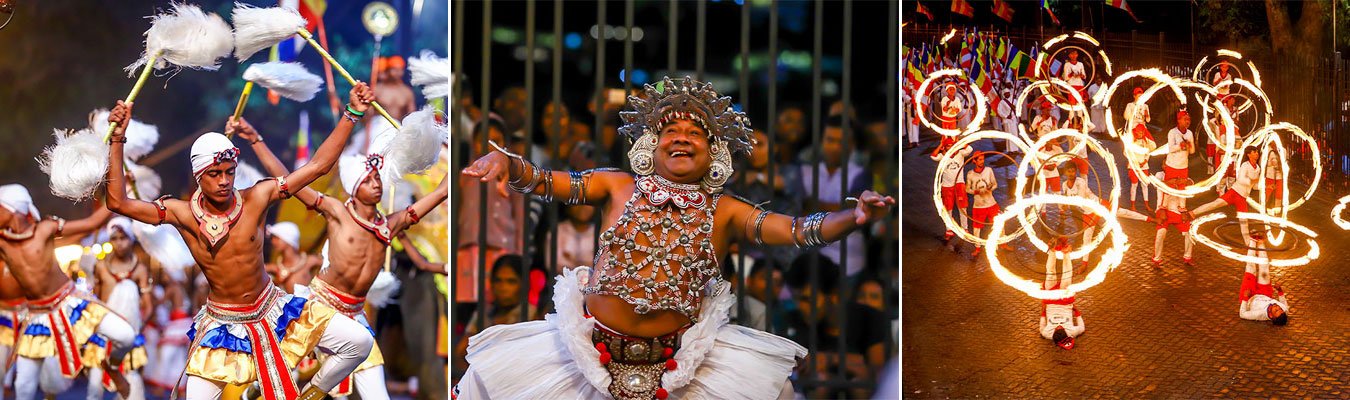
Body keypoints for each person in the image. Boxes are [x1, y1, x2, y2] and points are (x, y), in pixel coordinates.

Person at [456, 76, 894, 399]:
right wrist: (508, 166)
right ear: (653, 144)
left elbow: (799, 230)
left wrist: (853, 216)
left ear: (715, 151)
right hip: (585, 357)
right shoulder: (615, 186)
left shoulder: (726, 210)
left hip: (681, 367)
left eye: (695, 134)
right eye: (671, 132)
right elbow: (543, 180)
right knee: (484, 381)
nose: (682, 138)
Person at [104, 85, 378, 400]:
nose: (224, 181)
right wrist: (117, 139)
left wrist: (352, 113)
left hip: (274, 311)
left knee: (359, 342)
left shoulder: (257, 197)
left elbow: (318, 167)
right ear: (199, 176)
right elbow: (119, 203)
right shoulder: (180, 212)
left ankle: (310, 396)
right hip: (224, 325)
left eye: (229, 172)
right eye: (215, 174)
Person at [231, 111, 449, 400]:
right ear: (354, 186)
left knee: (376, 394)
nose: (376, 183)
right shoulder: (336, 212)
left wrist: (445, 144)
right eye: (369, 179)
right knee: (279, 378)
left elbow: (441, 193)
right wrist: (256, 140)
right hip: (319, 307)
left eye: (377, 179)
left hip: (355, 315)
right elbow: (287, 180)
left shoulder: (389, 225)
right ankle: (261, 389)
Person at [0, 183, 139, 399]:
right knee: (24, 388)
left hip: (70, 302)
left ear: (13, 209)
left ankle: (111, 367)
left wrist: (120, 195)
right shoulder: (2, 243)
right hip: (37, 316)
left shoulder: (45, 228)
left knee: (126, 336)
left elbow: (92, 223)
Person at [784, 254, 889, 399]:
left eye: (806, 299)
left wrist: (830, 359)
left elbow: (880, 375)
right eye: (795, 299)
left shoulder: (870, 318)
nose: (799, 307)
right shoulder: (795, 321)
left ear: (834, 295)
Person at [84, 217, 153, 400]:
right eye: (114, 239)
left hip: (131, 335)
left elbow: (148, 306)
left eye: (124, 238)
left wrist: (138, 328)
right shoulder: (100, 267)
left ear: (131, 239)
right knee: (94, 387)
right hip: (104, 335)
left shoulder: (140, 270)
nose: (119, 243)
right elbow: (95, 302)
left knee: (132, 386)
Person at [798, 115, 871, 275]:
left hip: (848, 262)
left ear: (852, 145)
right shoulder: (806, 171)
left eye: (842, 141)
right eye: (830, 140)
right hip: (809, 257)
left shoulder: (859, 174)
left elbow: (854, 213)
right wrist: (836, 209)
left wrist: (813, 205)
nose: (836, 147)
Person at [452, 255, 535, 386]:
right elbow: (461, 350)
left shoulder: (532, 315)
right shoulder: (484, 312)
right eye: (498, 281)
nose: (503, 287)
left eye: (511, 281)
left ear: (524, 284)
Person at [1189, 146, 1260, 239]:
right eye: (1254, 152)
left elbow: (1254, 186)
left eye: (1257, 152)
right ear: (1249, 154)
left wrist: (1264, 186)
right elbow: (1241, 179)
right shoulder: (1245, 165)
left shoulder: (1258, 168)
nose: (1257, 154)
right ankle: (1193, 212)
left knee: (1244, 220)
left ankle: (1248, 243)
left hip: (1242, 197)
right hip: (1234, 192)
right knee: (1215, 204)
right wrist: (1254, 180)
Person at [1039, 238, 1084, 350]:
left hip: (1051, 301)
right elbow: (1082, 328)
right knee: (1067, 277)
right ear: (1065, 332)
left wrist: (1043, 312)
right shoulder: (1072, 332)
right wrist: (1077, 311)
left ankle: (1052, 250)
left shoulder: (1047, 334)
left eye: (1056, 328)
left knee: (1050, 274)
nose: (1059, 326)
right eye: (1061, 328)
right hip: (1065, 302)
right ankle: (1066, 252)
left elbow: (1041, 327)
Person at [931, 133, 971, 244]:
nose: (951, 148)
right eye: (949, 146)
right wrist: (940, 145)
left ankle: (965, 228)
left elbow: (969, 148)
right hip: (947, 185)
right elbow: (933, 156)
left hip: (959, 183)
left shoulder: (961, 153)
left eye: (952, 146)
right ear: (945, 147)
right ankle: (949, 230)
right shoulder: (942, 157)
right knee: (948, 208)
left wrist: (959, 142)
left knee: (962, 207)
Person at [1238, 239, 1288, 325]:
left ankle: (1253, 240)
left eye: (1276, 310)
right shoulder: (1284, 311)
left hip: (1250, 296)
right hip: (1265, 294)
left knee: (1250, 268)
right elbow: (1285, 305)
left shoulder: (1259, 314)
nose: (1277, 306)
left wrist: (1245, 298)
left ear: (1271, 316)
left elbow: (1242, 314)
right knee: (1264, 268)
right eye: (1280, 309)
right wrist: (1280, 291)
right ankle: (1260, 241)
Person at [263, 222, 321, 294]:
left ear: (288, 239)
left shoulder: (310, 261)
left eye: (276, 238)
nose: (273, 241)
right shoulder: (275, 268)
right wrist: (277, 281)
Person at [1151, 177, 1196, 266]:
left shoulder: (1182, 175)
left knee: (1190, 231)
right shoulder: (1160, 174)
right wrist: (1167, 182)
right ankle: (1157, 259)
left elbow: (1192, 184)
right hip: (1163, 211)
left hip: (1177, 211)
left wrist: (1185, 182)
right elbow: (1154, 183)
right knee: (1161, 233)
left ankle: (1188, 257)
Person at [965, 152, 1003, 257]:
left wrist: (990, 188)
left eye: (983, 159)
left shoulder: (989, 170)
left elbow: (995, 184)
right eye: (980, 160)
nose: (982, 161)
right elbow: (967, 189)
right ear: (974, 161)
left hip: (991, 203)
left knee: (1000, 222)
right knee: (977, 228)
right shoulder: (970, 174)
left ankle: (1003, 243)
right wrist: (976, 192)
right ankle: (977, 247)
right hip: (978, 205)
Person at [1126, 124, 1157, 211]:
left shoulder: (1146, 141)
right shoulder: (1131, 141)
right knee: (1134, 185)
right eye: (1139, 131)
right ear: (1135, 131)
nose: (1140, 133)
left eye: (1142, 131)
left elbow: (1149, 152)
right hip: (1134, 167)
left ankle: (1146, 205)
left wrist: (1145, 161)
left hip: (1144, 166)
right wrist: (1134, 162)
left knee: (1144, 185)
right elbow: (1126, 152)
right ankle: (1132, 205)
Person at [1164, 110, 1196, 180]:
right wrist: (1180, 146)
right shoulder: (1172, 132)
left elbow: (1192, 151)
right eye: (1185, 119)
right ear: (1179, 120)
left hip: (1183, 167)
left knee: (1181, 188)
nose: (1188, 121)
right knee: (1170, 189)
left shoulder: (1189, 133)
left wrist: (1190, 145)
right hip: (1172, 166)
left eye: (1189, 119)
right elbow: (1171, 149)